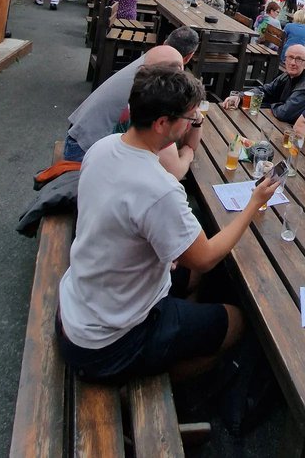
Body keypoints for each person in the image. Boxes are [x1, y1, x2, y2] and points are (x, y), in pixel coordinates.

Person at [56, 66, 280, 384]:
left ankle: (176, 332)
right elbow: (206, 255)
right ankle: (149, 383)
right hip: (106, 344)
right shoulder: (159, 188)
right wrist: (254, 203)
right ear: (163, 123)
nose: (193, 124)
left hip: (79, 305)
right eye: (190, 119)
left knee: (194, 273)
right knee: (237, 321)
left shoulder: (103, 148)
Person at [62, 31, 200, 161]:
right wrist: (188, 153)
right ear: (189, 57)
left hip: (80, 132)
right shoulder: (162, 84)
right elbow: (173, 169)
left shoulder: (152, 61)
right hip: (84, 149)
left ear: (164, 43)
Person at [228, 44, 305, 123]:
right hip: (276, 120)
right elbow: (266, 90)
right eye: (290, 57)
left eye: (298, 59)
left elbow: (285, 113)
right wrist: (241, 96)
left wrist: (269, 105)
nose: (293, 63)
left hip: (289, 130)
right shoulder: (288, 75)